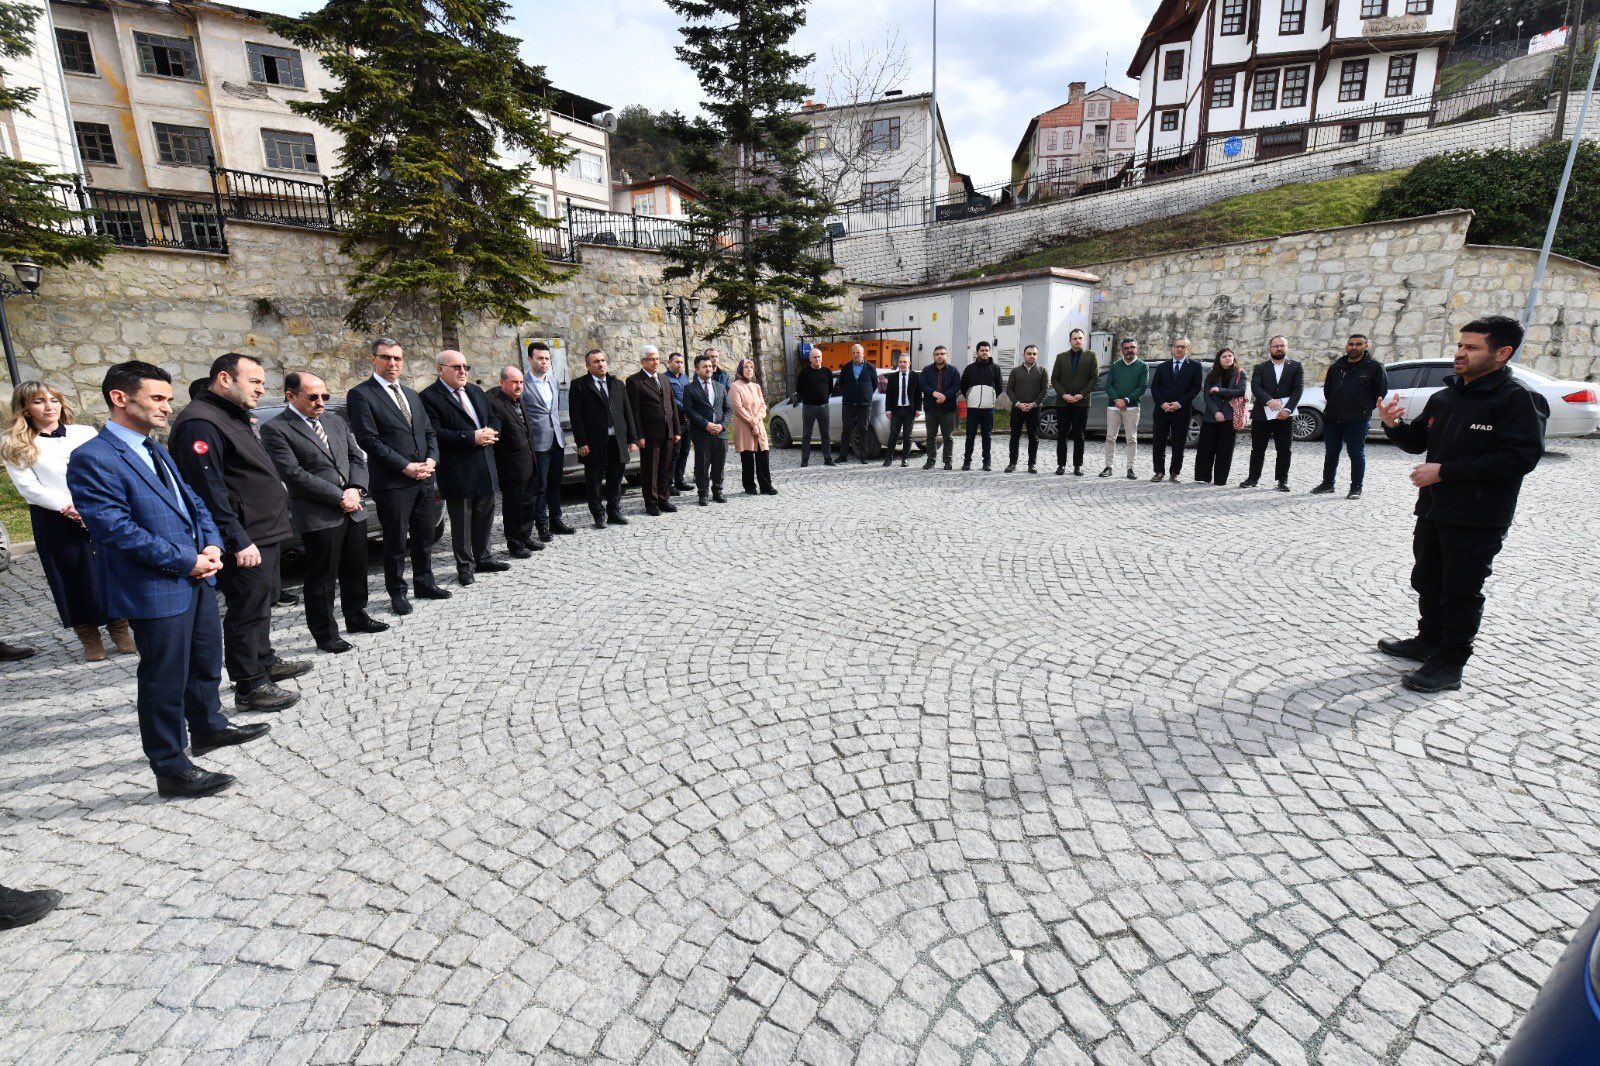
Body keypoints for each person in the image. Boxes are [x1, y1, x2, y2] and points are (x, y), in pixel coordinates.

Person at [67, 361, 269, 798]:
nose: (167, 406)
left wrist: (213, 545)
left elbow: (193, 501)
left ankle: (209, 726)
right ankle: (171, 768)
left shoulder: (154, 447)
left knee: (203, 658)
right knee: (163, 678)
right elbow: (113, 528)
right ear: (120, 399)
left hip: (196, 574)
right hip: (157, 584)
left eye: (167, 398)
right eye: (157, 398)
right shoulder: (92, 458)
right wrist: (186, 560)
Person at [1377, 315, 1545, 693]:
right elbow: (1417, 441)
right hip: (1434, 510)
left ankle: (1450, 664)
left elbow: (1521, 458)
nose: (1459, 353)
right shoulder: (1445, 396)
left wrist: (1445, 472)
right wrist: (1393, 426)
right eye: (1460, 345)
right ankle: (1428, 641)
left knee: (1461, 589)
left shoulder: (1518, 399)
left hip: (1479, 517)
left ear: (1502, 353)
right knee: (1427, 578)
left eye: (1471, 347)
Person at [170, 352, 308, 713]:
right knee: (246, 608)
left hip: (265, 529)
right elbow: (207, 488)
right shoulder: (200, 422)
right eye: (255, 381)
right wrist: (237, 538)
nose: (262, 389)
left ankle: (264, 660)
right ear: (225, 379)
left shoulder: (228, 415)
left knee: (262, 602)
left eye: (263, 382)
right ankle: (249, 684)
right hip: (246, 536)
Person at [3, 381, 134, 661]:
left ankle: (120, 626)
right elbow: (29, 488)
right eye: (39, 401)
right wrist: (68, 508)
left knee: (110, 569)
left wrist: (98, 505)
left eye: (54, 399)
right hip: (54, 517)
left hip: (99, 510)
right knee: (71, 576)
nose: (49, 406)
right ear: (25, 408)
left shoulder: (84, 433)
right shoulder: (16, 444)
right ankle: (87, 634)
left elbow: (107, 468)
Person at [260, 372, 389, 654]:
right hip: (319, 513)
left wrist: (356, 489)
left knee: (356, 568)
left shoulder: (334, 420)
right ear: (290, 396)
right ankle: (325, 632)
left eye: (325, 396)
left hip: (353, 507)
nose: (321, 402)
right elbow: (293, 473)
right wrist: (338, 496)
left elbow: (357, 457)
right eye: (313, 397)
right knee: (322, 577)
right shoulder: (276, 428)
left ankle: (357, 616)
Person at [346, 336, 447, 616]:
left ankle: (425, 582)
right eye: (386, 357)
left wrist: (431, 460)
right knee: (394, 542)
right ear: (374, 360)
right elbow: (369, 440)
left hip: (424, 478)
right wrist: (405, 466)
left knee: (425, 536)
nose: (392, 363)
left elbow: (428, 432)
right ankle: (397, 593)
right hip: (393, 482)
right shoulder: (361, 394)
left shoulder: (411, 394)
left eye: (397, 358)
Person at [421, 350, 507, 586]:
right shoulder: (429, 397)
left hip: (485, 465)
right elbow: (435, 432)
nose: (462, 372)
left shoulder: (475, 391)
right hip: (458, 469)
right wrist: (470, 437)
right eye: (456, 367)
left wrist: (491, 432)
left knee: (485, 516)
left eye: (465, 367)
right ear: (440, 369)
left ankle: (484, 557)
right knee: (462, 522)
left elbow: (493, 417)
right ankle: (465, 567)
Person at [568, 348, 638, 528]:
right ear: (588, 366)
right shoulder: (579, 385)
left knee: (616, 478)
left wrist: (632, 438)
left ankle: (614, 511)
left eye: (602, 360)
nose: (600, 364)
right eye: (596, 362)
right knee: (594, 481)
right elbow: (576, 417)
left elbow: (627, 412)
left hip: (617, 441)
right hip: (593, 443)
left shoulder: (617, 384)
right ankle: (598, 515)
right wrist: (581, 442)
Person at [1313, 334, 1388, 500]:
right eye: (1351, 344)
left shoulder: (1374, 367)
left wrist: (1364, 408)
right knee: (1331, 452)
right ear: (1346, 346)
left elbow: (1380, 392)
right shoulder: (1336, 366)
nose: (1354, 347)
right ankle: (1327, 483)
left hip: (1357, 419)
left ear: (1365, 346)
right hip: (1332, 418)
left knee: (1355, 453)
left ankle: (1356, 487)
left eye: (1358, 344)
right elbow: (1328, 390)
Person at [485, 365, 543, 557]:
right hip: (511, 466)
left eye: (521, 382)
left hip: (529, 462)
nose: (519, 386)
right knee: (514, 507)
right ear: (502, 382)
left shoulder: (520, 400)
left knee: (528, 504)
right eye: (514, 382)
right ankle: (515, 544)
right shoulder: (495, 403)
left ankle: (525, 536)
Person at [522, 341, 575, 540]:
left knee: (555, 483)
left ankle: (556, 520)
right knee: (540, 486)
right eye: (540, 358)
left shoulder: (552, 381)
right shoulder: (524, 384)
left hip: (557, 440)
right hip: (537, 442)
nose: (544, 362)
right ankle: (541, 525)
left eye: (547, 359)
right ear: (530, 360)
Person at [1241, 335, 1302, 491]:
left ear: (1286, 347)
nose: (1279, 348)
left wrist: (1287, 409)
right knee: (1258, 448)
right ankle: (1253, 478)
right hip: (1262, 414)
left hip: (1285, 415)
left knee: (1284, 449)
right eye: (1276, 346)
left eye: (1282, 345)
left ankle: (1283, 480)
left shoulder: (1296, 366)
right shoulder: (1260, 367)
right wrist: (1270, 401)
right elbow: (1256, 387)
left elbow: (1298, 389)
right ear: (1270, 348)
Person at [627, 345, 681, 516]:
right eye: (651, 358)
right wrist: (638, 435)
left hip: (668, 431)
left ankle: (663, 499)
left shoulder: (664, 379)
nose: (656, 362)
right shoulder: (635, 381)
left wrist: (677, 429)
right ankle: (651, 502)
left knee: (665, 467)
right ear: (643, 362)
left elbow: (671, 405)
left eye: (657, 358)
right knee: (650, 469)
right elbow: (634, 411)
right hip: (649, 434)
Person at [1147, 337, 1202, 483]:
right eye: (1177, 346)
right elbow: (1154, 387)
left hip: (1182, 411)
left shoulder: (1195, 366)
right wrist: (1162, 404)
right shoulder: (1162, 366)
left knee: (1179, 443)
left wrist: (1179, 403)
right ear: (1172, 348)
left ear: (1187, 349)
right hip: (1162, 411)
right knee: (1159, 442)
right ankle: (1159, 471)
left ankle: (1174, 472)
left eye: (1183, 347)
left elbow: (1195, 388)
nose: (1179, 349)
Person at [1192, 349, 1247, 486]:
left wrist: (1220, 390)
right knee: (1206, 448)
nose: (1228, 358)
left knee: (1225, 449)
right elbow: (1207, 396)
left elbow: (1241, 391)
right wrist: (1216, 412)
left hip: (1229, 416)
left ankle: (1220, 479)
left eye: (1230, 356)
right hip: (1212, 416)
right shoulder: (1212, 374)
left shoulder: (1240, 373)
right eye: (1224, 356)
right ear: (1219, 359)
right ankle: (1203, 477)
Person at [681, 354, 730, 505]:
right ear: (697, 369)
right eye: (705, 366)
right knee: (702, 465)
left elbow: (728, 409)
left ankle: (718, 491)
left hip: (720, 433)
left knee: (719, 464)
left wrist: (722, 425)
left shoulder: (720, 387)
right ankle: (703, 493)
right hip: (702, 433)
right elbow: (689, 410)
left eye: (710, 366)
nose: (709, 368)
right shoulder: (689, 388)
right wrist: (706, 425)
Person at [729, 357, 779, 495]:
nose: (749, 370)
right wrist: (752, 422)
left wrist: (756, 420)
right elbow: (737, 408)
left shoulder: (756, 387)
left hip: (758, 424)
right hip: (744, 426)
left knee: (763, 455)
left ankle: (766, 486)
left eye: (751, 367)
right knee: (748, 457)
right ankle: (749, 486)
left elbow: (763, 406)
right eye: (746, 367)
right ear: (740, 370)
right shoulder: (735, 386)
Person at [1051, 329, 1097, 476]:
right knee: (1062, 435)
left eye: (1080, 338)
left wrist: (1081, 395)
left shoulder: (1091, 356)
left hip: (1081, 403)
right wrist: (1063, 394)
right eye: (1075, 338)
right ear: (1069, 341)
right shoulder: (1060, 357)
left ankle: (1078, 465)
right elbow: (1054, 379)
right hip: (1063, 403)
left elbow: (1094, 378)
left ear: (1083, 340)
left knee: (1079, 435)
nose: (1078, 340)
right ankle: (1061, 465)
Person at [1100, 338, 1147, 480]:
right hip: (1113, 406)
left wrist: (1126, 400)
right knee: (1110, 437)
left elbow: (1142, 387)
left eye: (1132, 347)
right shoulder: (1115, 365)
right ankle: (1108, 467)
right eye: (1126, 348)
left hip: (1132, 406)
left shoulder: (1143, 366)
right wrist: (1117, 400)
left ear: (1137, 348)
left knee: (1131, 438)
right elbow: (1109, 385)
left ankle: (1130, 468)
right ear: (1122, 350)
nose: (1129, 350)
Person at [961, 341, 1004, 471]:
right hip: (973, 409)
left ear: (989, 352)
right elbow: (963, 386)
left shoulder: (995, 368)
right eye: (982, 350)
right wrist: (971, 398)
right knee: (970, 436)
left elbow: (999, 387)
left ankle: (987, 462)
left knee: (987, 436)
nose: (984, 352)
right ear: (977, 352)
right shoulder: (969, 368)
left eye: (986, 350)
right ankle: (967, 461)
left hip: (988, 409)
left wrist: (989, 399)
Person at [1005, 344, 1047, 473]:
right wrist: (1017, 403)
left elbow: (1044, 390)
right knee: (1015, 436)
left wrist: (1034, 403)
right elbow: (1009, 389)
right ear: (1024, 355)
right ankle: (1012, 463)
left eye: (1034, 354)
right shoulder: (1015, 371)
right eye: (1029, 353)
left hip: (1034, 409)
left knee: (1033, 437)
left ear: (1037, 355)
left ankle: (1031, 464)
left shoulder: (1042, 370)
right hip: (1018, 408)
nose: (1031, 356)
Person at [920, 346, 960, 470]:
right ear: (933, 356)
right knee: (930, 436)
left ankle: (948, 461)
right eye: (937, 354)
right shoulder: (926, 370)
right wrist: (934, 393)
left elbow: (956, 386)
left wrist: (944, 396)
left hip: (947, 409)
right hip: (931, 408)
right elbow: (922, 385)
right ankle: (931, 460)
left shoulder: (953, 371)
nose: (939, 356)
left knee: (948, 436)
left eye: (942, 353)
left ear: (946, 355)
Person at [836, 344, 877, 463]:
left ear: (863, 354)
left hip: (864, 404)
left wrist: (865, 394)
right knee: (846, 429)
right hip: (848, 404)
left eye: (857, 352)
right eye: (853, 353)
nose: (855, 355)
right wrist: (849, 393)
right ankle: (843, 455)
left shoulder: (870, 368)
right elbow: (841, 384)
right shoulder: (846, 367)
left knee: (863, 429)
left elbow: (874, 385)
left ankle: (863, 456)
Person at [794, 347, 835, 467]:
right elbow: (799, 390)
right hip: (809, 407)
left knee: (825, 434)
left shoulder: (827, 372)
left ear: (821, 358)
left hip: (823, 407)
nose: (817, 359)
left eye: (819, 357)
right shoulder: (804, 373)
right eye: (814, 357)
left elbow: (830, 389)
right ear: (810, 359)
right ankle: (805, 459)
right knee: (807, 434)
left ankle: (827, 458)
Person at [881, 352, 921, 467]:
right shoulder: (893, 377)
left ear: (909, 363)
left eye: (905, 362)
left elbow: (918, 394)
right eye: (900, 362)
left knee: (907, 436)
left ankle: (905, 459)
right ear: (898, 363)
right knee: (893, 434)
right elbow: (889, 395)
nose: (903, 364)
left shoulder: (915, 376)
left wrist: (918, 408)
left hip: (909, 410)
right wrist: (888, 409)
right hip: (896, 410)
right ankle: (888, 458)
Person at [665, 352, 693, 491]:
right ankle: (668, 484)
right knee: (674, 452)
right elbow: (670, 400)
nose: (680, 365)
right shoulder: (665, 379)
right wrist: (687, 407)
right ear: (669, 363)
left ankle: (679, 480)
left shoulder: (685, 378)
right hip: (675, 420)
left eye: (681, 362)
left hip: (687, 419)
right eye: (677, 362)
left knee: (685, 451)